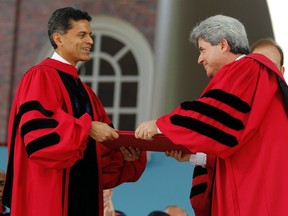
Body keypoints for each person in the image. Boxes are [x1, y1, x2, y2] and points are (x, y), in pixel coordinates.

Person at [135, 14, 288, 215]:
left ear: (223, 45)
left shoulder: (249, 67)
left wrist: (160, 125)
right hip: (251, 180)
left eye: (202, 50)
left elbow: (214, 112)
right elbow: (235, 138)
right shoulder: (253, 76)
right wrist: (196, 157)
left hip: (257, 191)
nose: (200, 59)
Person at [2, 7, 147, 216]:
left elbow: (101, 160)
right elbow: (38, 139)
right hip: (49, 198)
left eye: (90, 35)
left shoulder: (86, 92)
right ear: (58, 38)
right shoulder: (40, 77)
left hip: (85, 199)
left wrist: (126, 156)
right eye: (82, 34)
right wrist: (86, 128)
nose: (90, 41)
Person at [166, 37, 286, 216]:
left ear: (281, 72)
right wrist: (196, 157)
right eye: (257, 65)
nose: (262, 72)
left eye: (269, 67)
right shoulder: (238, 111)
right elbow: (236, 161)